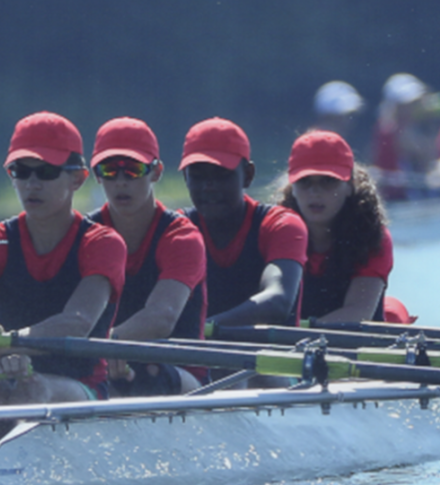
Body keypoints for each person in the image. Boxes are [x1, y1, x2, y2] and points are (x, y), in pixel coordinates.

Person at [0, 111, 127, 448]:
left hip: (82, 387)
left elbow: (76, 322)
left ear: (77, 178)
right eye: (21, 171)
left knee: (32, 386)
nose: (32, 183)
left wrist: (10, 343)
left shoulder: (102, 243)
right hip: (5, 377)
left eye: (45, 172)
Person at [87, 117, 207, 395]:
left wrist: (102, 345)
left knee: (147, 373)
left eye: (132, 170)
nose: (119, 182)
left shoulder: (182, 238)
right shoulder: (85, 237)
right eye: (109, 170)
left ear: (156, 172)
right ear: (96, 175)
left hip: (178, 371)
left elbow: (161, 318)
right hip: (101, 363)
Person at [179, 117, 308, 333]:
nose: (208, 187)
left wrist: (204, 329)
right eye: (198, 176)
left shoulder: (282, 225)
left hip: (266, 363)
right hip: (196, 362)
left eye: (221, 175)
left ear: (248, 175)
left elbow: (277, 301)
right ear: (185, 177)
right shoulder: (177, 230)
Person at [278, 130, 407, 324]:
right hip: (300, 335)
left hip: (354, 340)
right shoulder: (274, 231)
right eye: (304, 182)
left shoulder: (372, 235)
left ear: (349, 187)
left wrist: (299, 333)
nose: (315, 192)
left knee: (394, 314)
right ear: (292, 188)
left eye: (328, 181)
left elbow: (358, 312)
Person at [371, 73, 436, 200]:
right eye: (409, 104)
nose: (412, 108)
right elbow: (426, 157)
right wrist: (430, 121)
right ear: (396, 106)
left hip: (405, 195)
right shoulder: (393, 130)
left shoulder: (390, 126)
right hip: (399, 198)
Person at [312, 80, 365, 146]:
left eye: (349, 115)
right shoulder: (314, 146)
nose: (347, 122)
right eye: (340, 116)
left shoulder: (339, 144)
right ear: (327, 116)